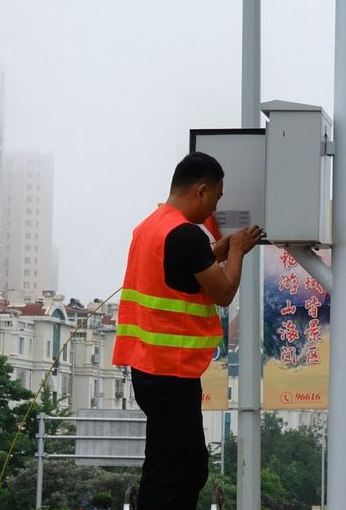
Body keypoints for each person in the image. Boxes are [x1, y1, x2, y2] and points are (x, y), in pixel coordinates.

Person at [112, 152, 262, 510]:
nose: (216, 207)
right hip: (170, 371)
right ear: (201, 190)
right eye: (217, 198)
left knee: (191, 464)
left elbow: (189, 265)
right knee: (169, 470)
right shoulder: (185, 235)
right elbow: (223, 292)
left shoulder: (151, 227)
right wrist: (238, 252)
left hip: (150, 367)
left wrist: (223, 249)